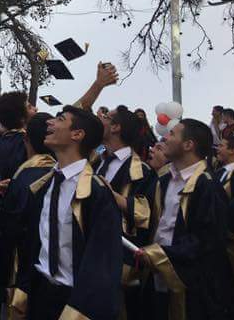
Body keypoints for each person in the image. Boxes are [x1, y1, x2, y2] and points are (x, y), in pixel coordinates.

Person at [13, 106, 123, 320]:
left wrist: (80, 309)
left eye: (60, 119)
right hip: (40, 293)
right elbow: (34, 243)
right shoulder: (44, 185)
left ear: (77, 134)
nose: (49, 123)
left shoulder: (95, 193)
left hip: (74, 304)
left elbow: (102, 263)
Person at [138, 119, 234, 318]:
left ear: (188, 145)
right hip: (155, 279)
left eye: (172, 134)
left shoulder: (208, 186)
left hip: (192, 288)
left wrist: (160, 254)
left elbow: (206, 241)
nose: (165, 138)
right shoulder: (163, 181)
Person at [0, 112, 56, 316]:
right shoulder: (56, 174)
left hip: (20, 270)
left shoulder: (26, 178)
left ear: (26, 139)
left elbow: (9, 229)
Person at [96, 106, 156, 320]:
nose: (99, 119)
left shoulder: (143, 173)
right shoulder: (96, 162)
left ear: (116, 127)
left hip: (119, 267)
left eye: (105, 117)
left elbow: (146, 215)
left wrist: (114, 196)